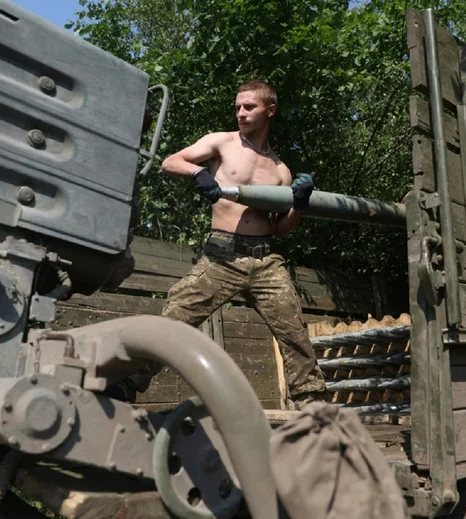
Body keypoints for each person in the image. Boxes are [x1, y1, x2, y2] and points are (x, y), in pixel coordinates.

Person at [115, 79, 326, 409]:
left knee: (294, 332)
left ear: (269, 110)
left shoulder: (281, 170)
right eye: (238, 107)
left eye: (249, 107)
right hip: (222, 256)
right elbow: (171, 161)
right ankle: (125, 384)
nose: (241, 113)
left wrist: (299, 205)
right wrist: (199, 174)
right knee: (176, 318)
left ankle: (312, 405)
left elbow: (282, 230)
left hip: (266, 260)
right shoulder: (222, 143)